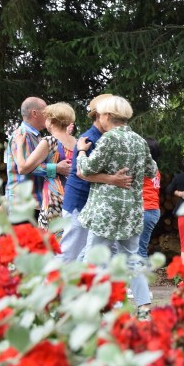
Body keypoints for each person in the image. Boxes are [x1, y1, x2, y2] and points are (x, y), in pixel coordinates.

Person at [76, 96, 157, 318]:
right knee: (132, 259)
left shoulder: (109, 139)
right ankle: (144, 308)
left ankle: (90, 308)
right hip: (131, 210)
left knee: (93, 258)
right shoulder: (139, 141)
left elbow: (87, 169)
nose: (98, 119)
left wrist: (81, 151)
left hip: (107, 211)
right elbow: (152, 170)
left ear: (108, 116)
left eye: (100, 115)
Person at [59, 94, 131, 261]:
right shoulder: (90, 139)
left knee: (99, 253)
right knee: (70, 253)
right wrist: (113, 180)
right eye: (113, 115)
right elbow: (81, 172)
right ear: (101, 115)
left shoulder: (106, 138)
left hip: (93, 205)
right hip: (79, 203)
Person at [12, 102, 76, 231]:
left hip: (53, 200)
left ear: (51, 121)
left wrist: (19, 145)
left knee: (51, 244)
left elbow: (23, 168)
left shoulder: (49, 141)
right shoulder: (76, 141)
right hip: (73, 197)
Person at [4, 97, 54, 218]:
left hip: (36, 202)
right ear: (34, 113)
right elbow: (27, 166)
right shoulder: (21, 134)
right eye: (46, 111)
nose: (49, 115)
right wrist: (57, 169)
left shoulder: (36, 136)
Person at [139, 137, 162, 258]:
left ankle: (143, 276)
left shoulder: (143, 167)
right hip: (152, 210)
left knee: (139, 250)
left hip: (145, 209)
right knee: (140, 247)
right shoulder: (155, 167)